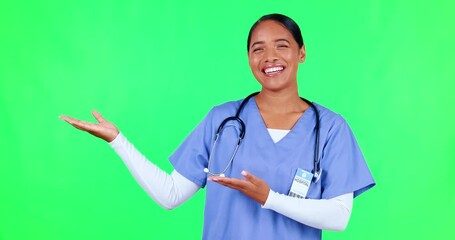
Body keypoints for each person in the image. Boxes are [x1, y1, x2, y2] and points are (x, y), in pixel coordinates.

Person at [60, 13, 375, 240]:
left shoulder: (331, 129)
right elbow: (170, 196)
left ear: (301, 53)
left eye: (282, 45)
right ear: (249, 58)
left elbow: (339, 217)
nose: (270, 57)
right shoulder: (223, 121)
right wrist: (118, 140)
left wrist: (270, 198)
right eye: (258, 48)